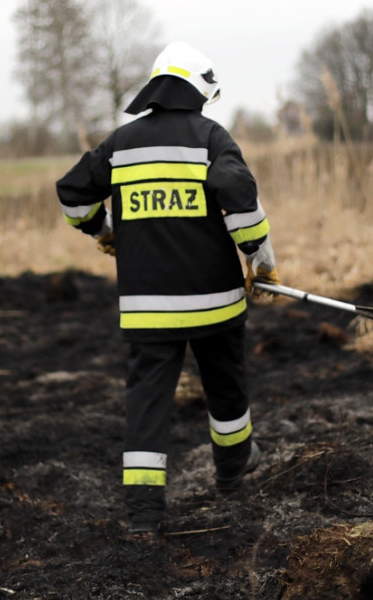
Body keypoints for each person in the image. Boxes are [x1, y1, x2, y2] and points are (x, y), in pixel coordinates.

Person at [55, 42, 280, 535]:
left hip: (146, 309)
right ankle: (234, 468)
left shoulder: (119, 144)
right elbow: (241, 201)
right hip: (214, 303)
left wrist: (104, 230)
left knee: (147, 404)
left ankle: (144, 516)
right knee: (225, 386)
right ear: (200, 89)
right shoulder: (211, 138)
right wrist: (260, 261)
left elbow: (73, 195)